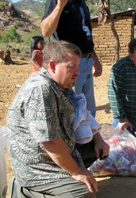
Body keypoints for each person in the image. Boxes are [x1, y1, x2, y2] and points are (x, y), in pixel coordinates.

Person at [7, 40, 109, 198]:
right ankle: (27, 190)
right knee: (85, 194)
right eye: (71, 67)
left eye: (78, 67)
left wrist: (99, 139)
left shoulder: (63, 85)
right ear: (53, 65)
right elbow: (51, 141)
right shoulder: (41, 89)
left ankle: (64, 182)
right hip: (38, 165)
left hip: (56, 152)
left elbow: (83, 114)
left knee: (93, 147)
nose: (77, 73)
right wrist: (77, 171)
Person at [40, 0, 102, 117]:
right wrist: (60, 6)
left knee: (88, 111)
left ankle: (88, 139)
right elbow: (46, 31)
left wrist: (95, 59)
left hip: (86, 63)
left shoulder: (83, 5)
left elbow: (86, 35)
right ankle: (72, 141)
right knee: (72, 112)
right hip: (71, 64)